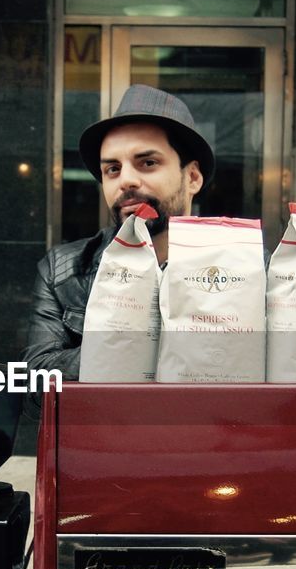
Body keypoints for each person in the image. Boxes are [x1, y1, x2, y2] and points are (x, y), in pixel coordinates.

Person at [24, 84, 215, 378]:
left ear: (192, 178)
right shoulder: (64, 271)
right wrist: (126, 346)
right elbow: (36, 382)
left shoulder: (246, 268)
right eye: (112, 169)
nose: (126, 180)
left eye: (148, 163)